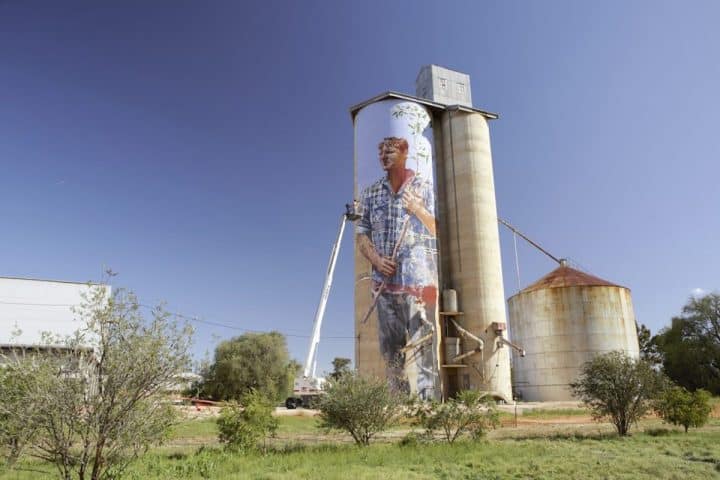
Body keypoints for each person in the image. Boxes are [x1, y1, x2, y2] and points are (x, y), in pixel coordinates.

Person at [356, 136, 439, 399]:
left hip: (419, 284)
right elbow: (361, 235)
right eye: (380, 152)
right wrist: (377, 260)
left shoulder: (423, 188)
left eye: (389, 151)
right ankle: (399, 403)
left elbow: (439, 230)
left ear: (404, 153)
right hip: (384, 286)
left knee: (425, 344)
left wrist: (418, 210)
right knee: (390, 350)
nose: (383, 156)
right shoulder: (370, 193)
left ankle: (429, 402)